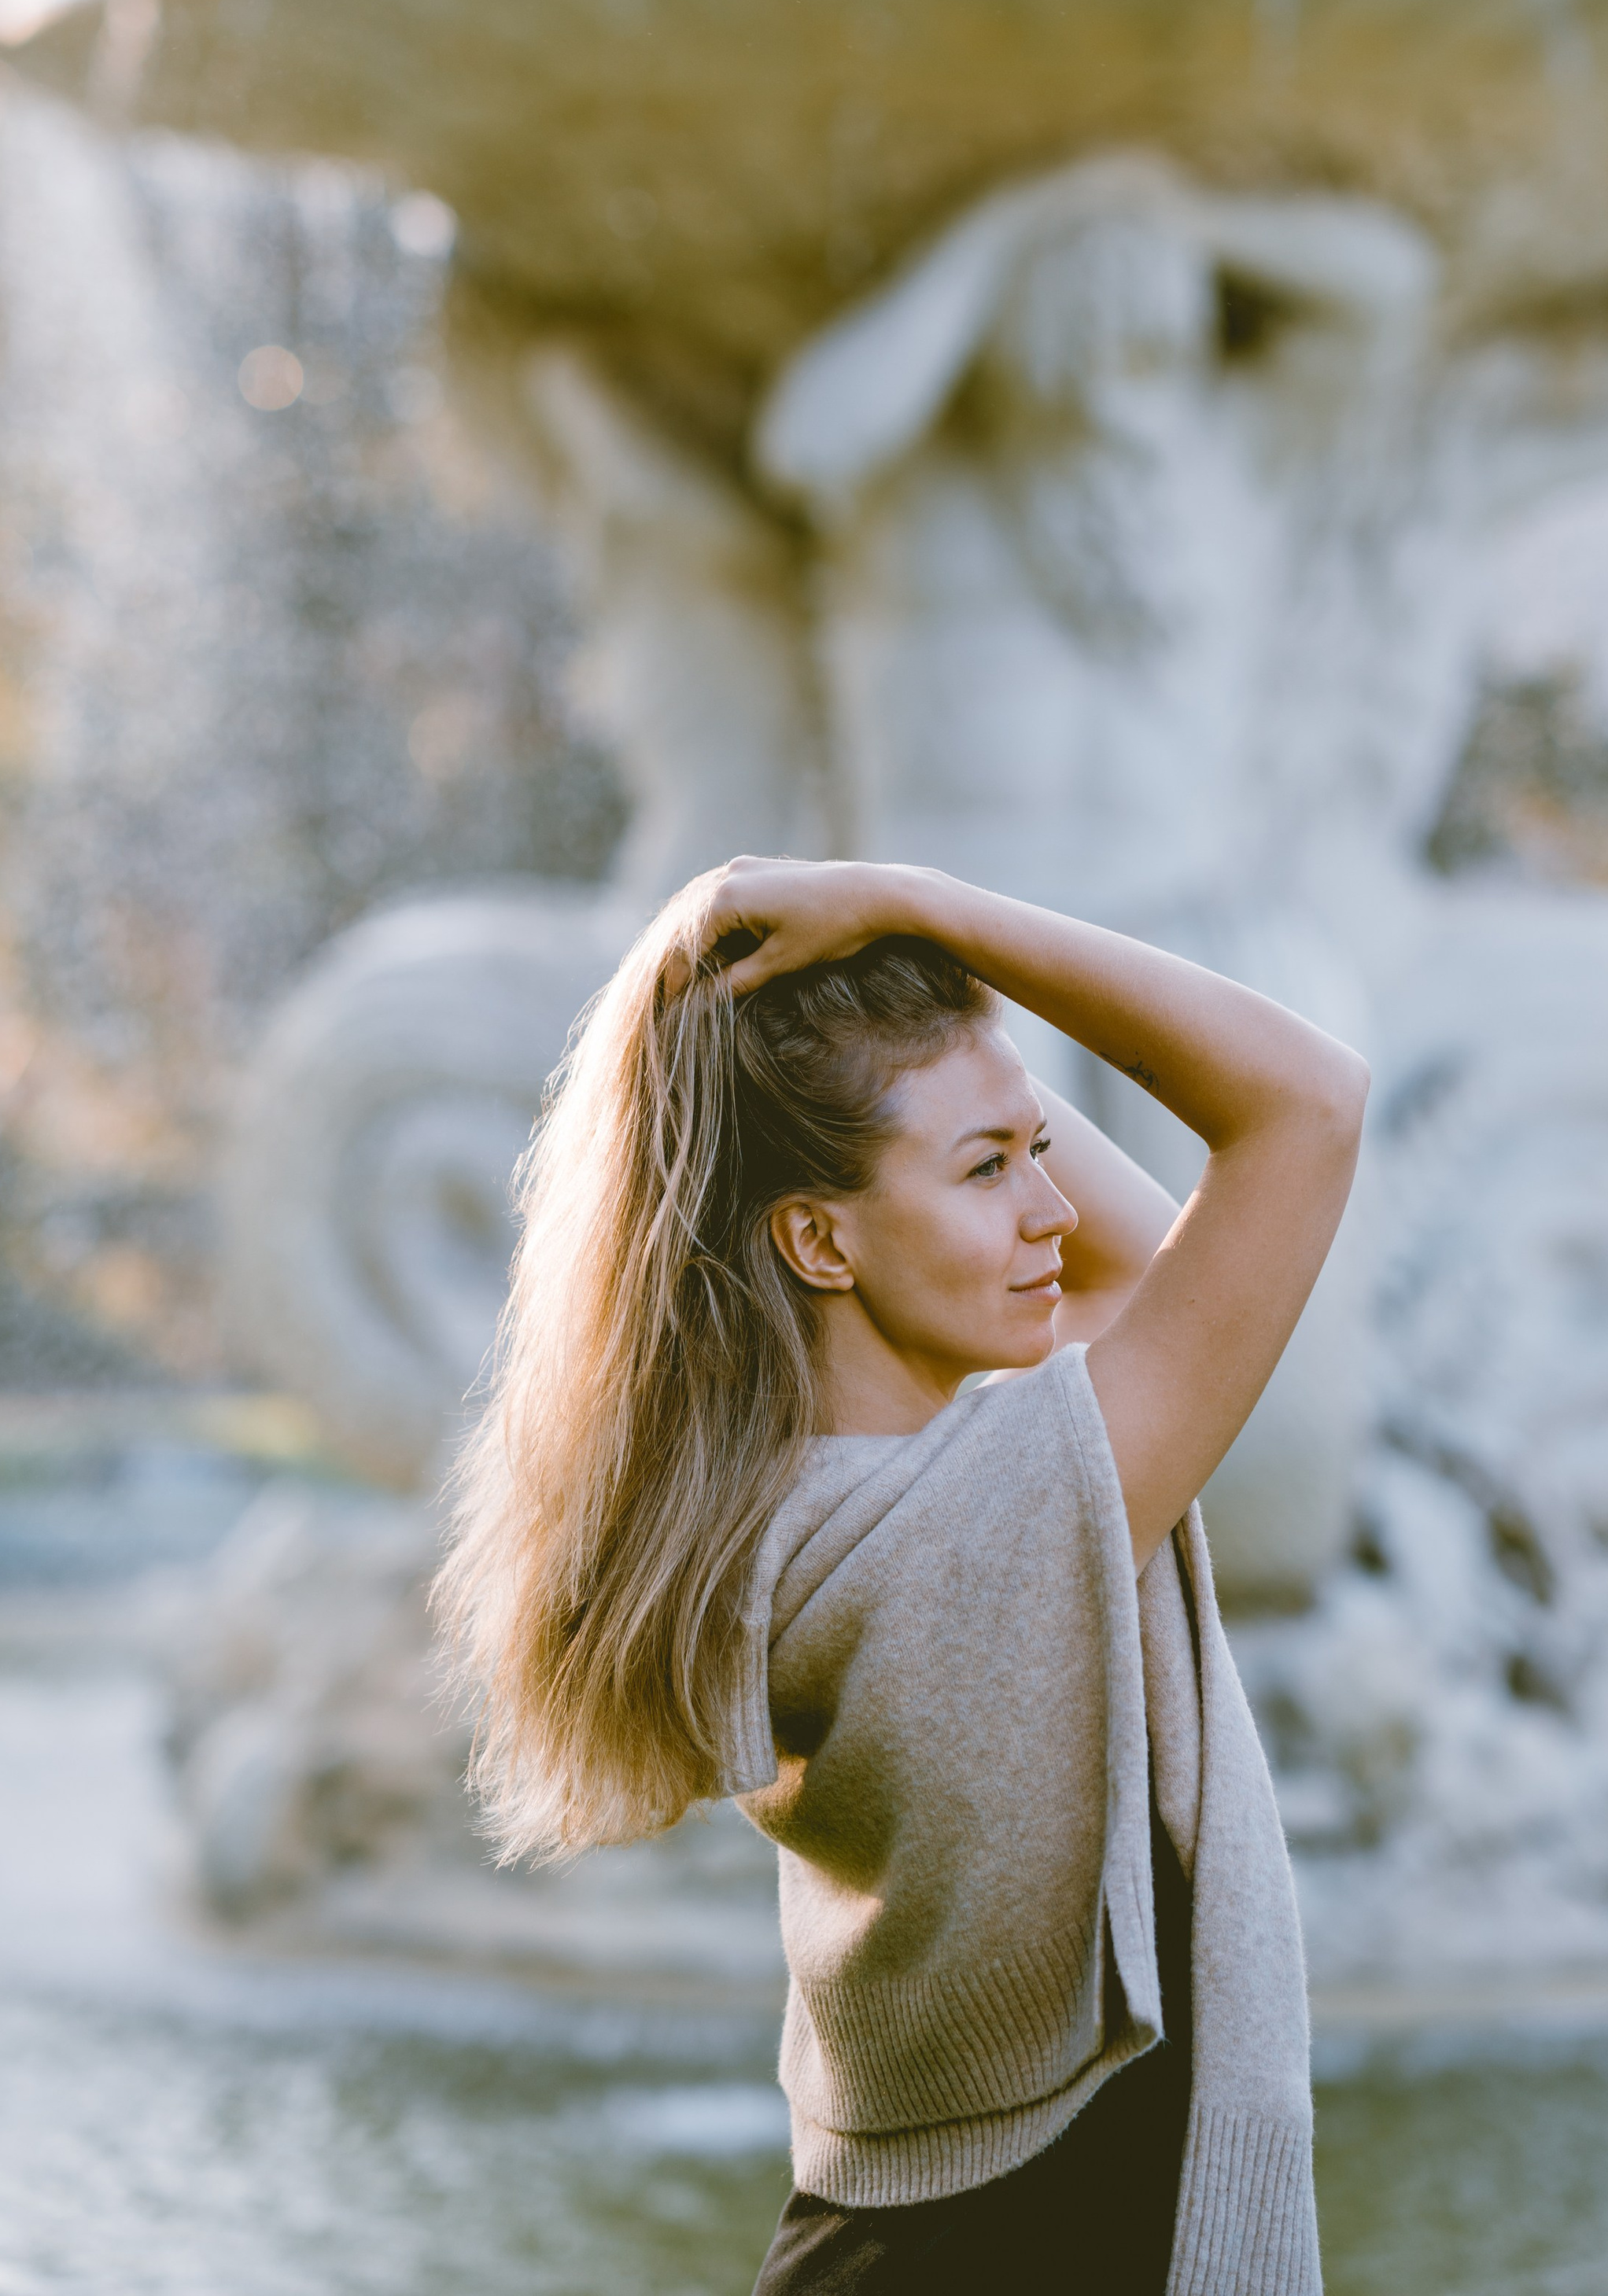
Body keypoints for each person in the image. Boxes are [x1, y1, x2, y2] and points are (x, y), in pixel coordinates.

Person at [436, 854, 1367, 2291]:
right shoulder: (979, 1519)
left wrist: (929, 1056)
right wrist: (924, 906)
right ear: (816, 1239)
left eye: (1032, 1150)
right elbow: (1305, 1106)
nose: (1049, 1208)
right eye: (991, 1171)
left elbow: (1116, 1274)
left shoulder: (798, 1515)